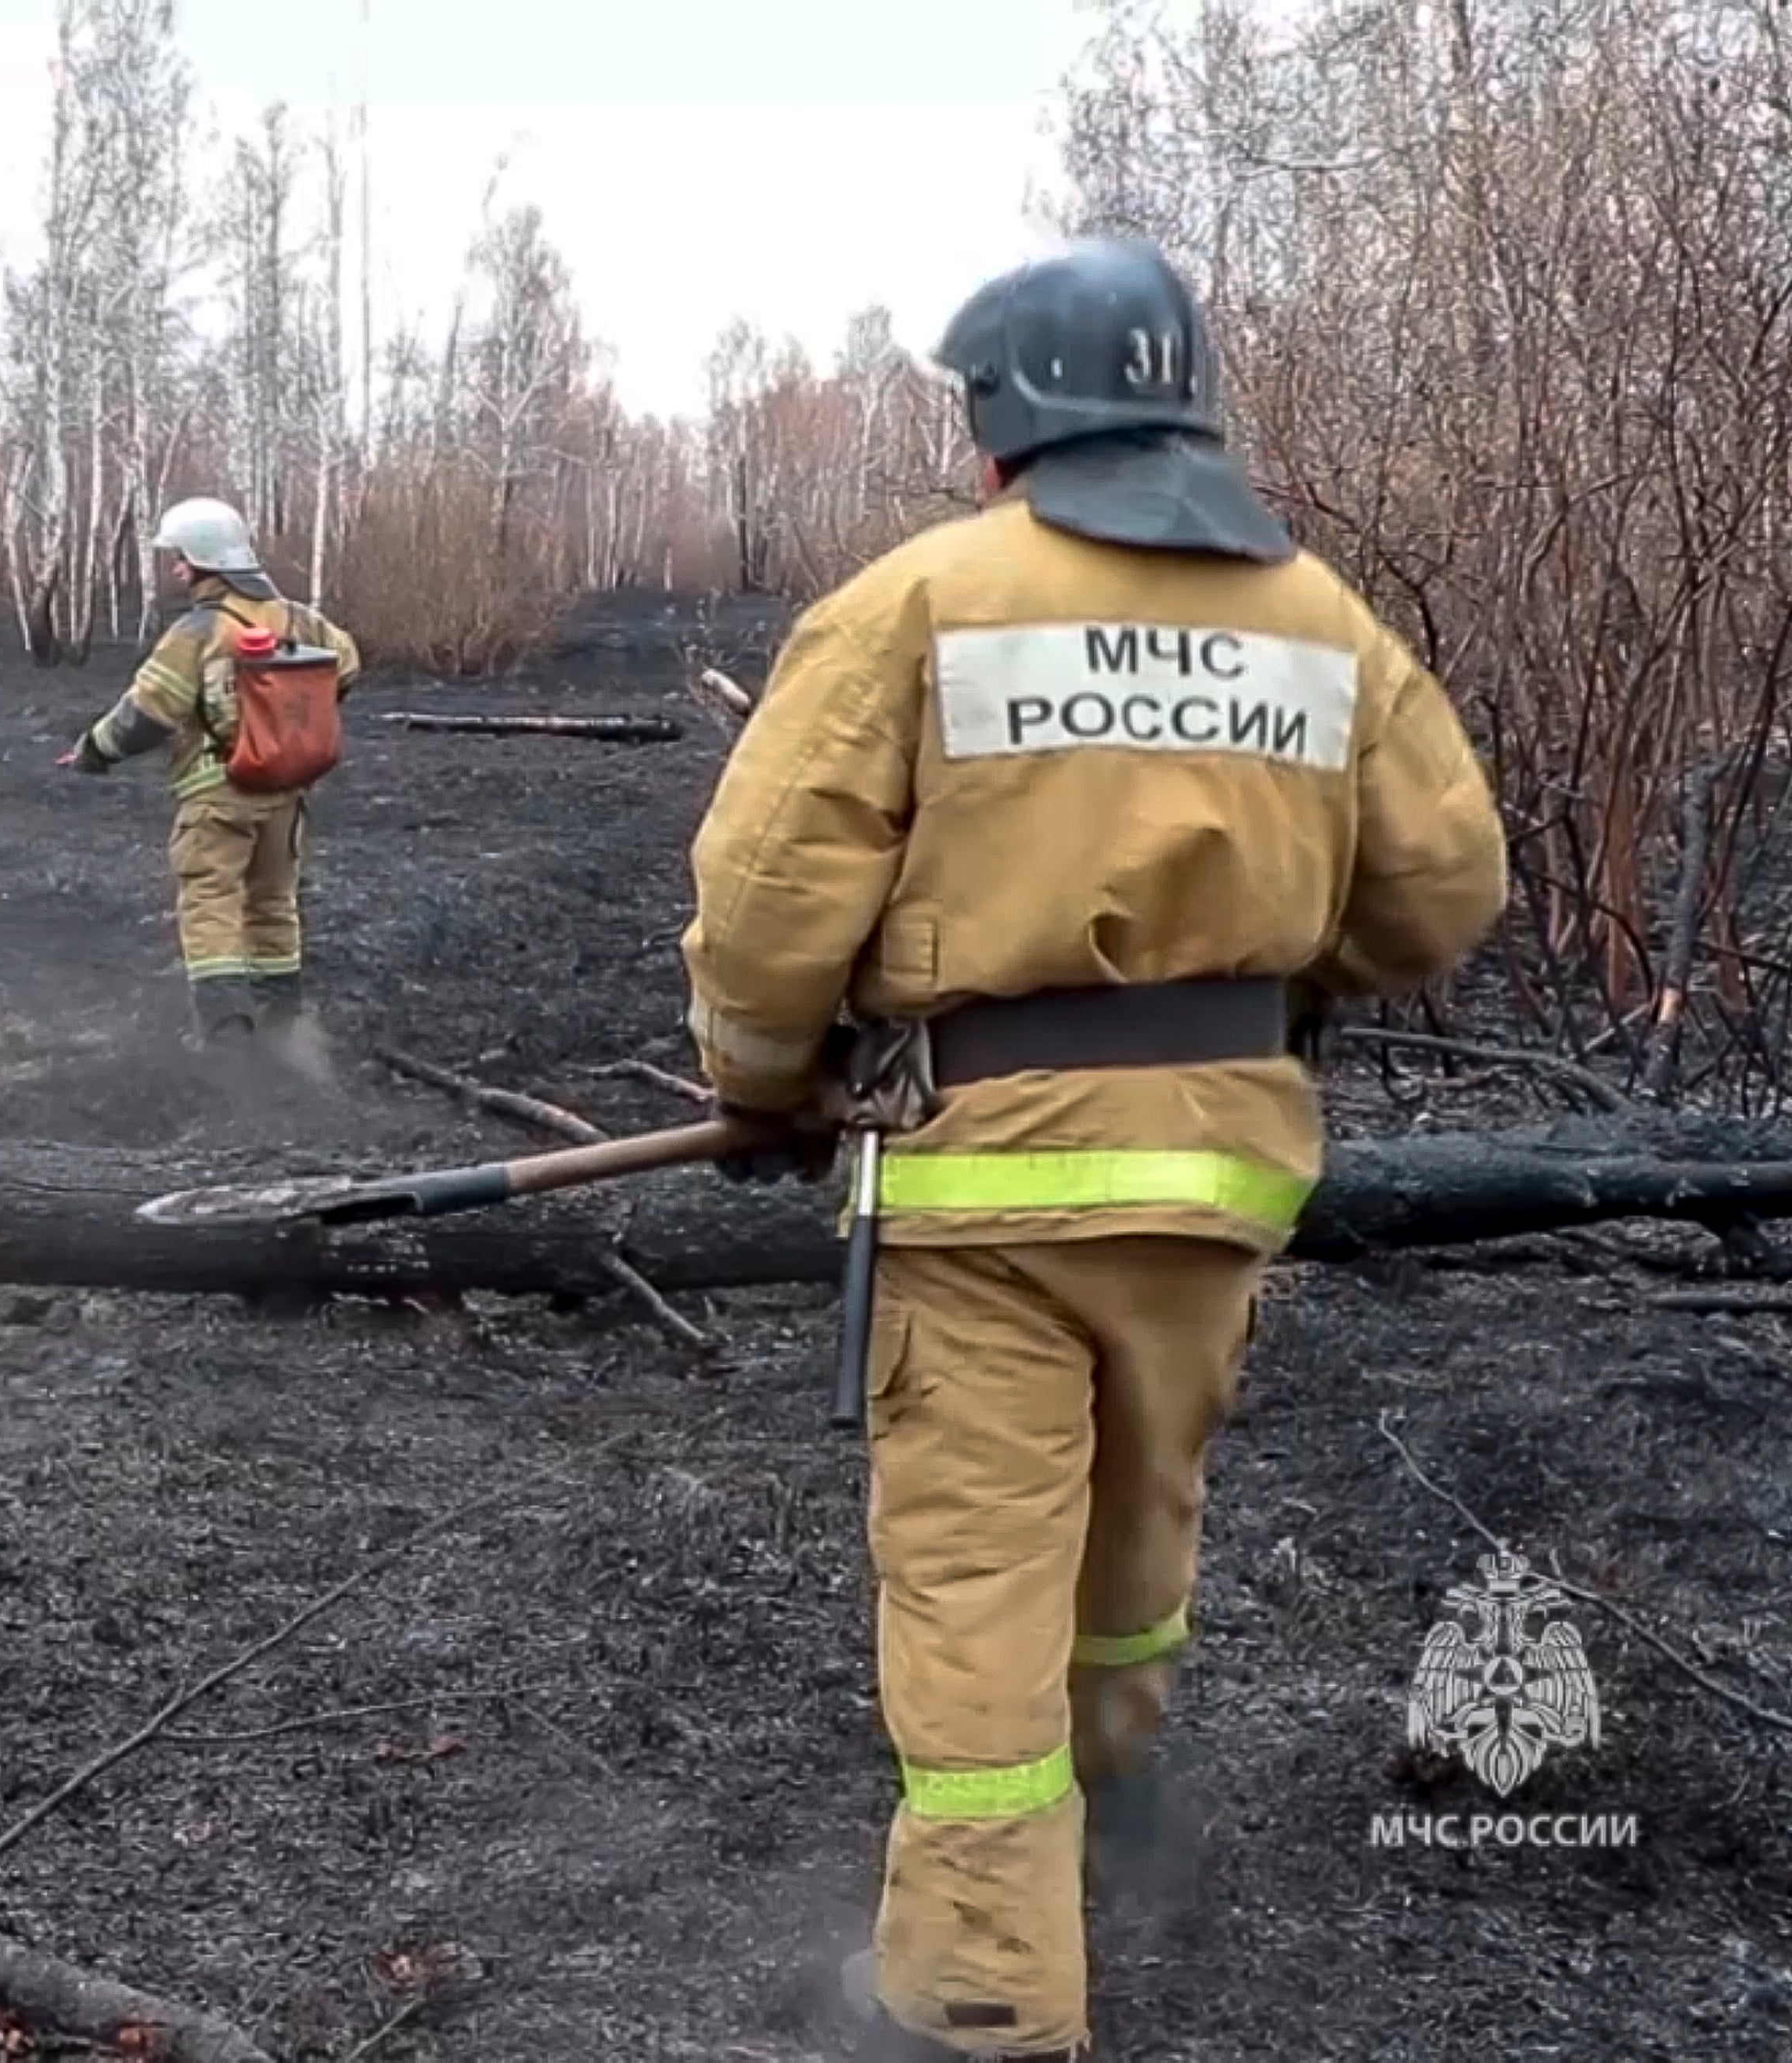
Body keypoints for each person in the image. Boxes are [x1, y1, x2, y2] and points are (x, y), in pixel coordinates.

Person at [678, 239, 1506, 2060]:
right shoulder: (1321, 618)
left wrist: (762, 1077)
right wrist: (1252, 993)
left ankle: (976, 1987)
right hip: (1218, 1176)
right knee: (1143, 1516)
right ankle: (1119, 1800)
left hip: (983, 1185)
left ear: (1002, 429)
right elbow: (1443, 888)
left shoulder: (919, 603)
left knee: (979, 1573)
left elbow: (768, 900)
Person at [65, 496, 360, 1064]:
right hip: (286, 794)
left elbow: (148, 711)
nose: (176, 568)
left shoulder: (199, 631)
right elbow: (346, 665)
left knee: (211, 904)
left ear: (207, 563)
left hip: (217, 794)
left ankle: (225, 1043)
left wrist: (93, 752)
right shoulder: (300, 619)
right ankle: (283, 1029)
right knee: (275, 903)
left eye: (181, 558)